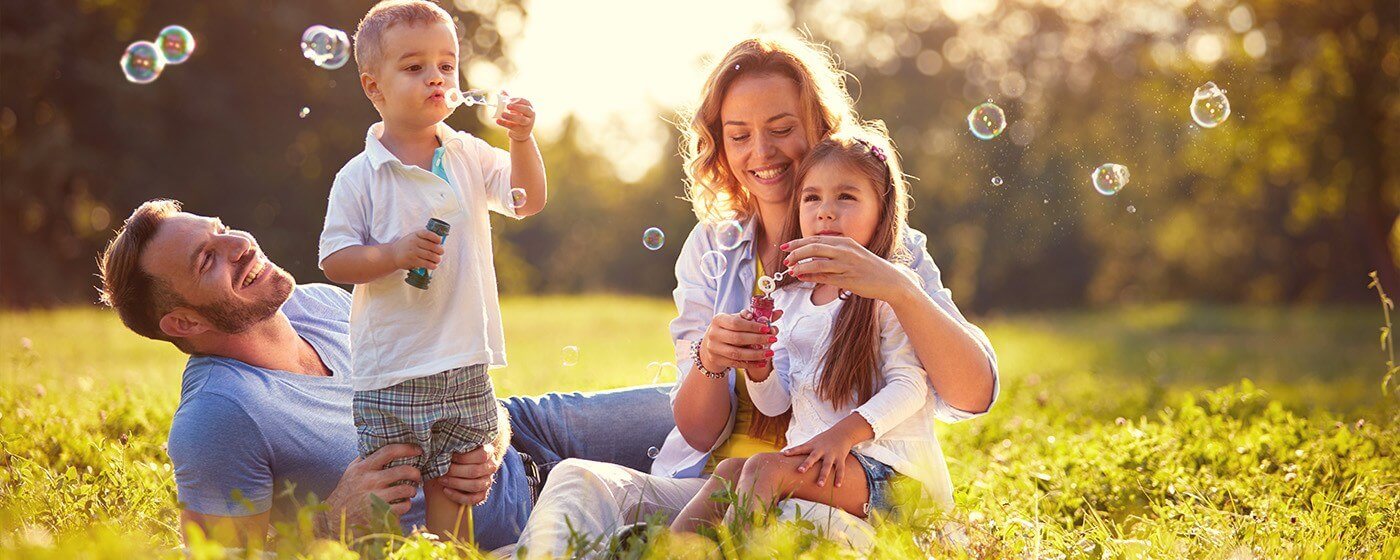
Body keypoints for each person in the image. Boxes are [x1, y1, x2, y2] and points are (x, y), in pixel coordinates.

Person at [516, 35, 999, 554]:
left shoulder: (887, 249)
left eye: (782, 129)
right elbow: (703, 434)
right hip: (719, 486)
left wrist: (899, 288)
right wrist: (712, 359)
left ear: (821, 129)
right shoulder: (712, 249)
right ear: (719, 144)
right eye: (738, 135)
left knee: (781, 526)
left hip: (834, 494)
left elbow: (972, 395)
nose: (761, 153)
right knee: (574, 482)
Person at [96, 200, 672, 551]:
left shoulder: (317, 303)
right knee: (717, 496)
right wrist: (330, 524)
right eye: (207, 258)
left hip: (524, 429)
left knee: (712, 402)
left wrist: (490, 424)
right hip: (511, 519)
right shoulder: (219, 416)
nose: (239, 244)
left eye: (221, 229)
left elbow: (442, 372)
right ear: (183, 320)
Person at [316, 0, 546, 539]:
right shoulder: (361, 176)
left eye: (447, 65)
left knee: (457, 486)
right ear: (374, 88)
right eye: (414, 67)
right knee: (387, 492)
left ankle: (444, 552)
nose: (437, 78)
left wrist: (520, 141)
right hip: (392, 367)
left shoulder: (467, 153)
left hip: (463, 357)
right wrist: (394, 254)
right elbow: (334, 259)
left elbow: (526, 198)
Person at [672, 130, 958, 532]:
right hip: (824, 464)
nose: (825, 211)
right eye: (812, 197)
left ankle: (731, 553)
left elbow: (912, 386)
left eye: (846, 196)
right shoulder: (792, 297)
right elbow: (775, 404)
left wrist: (841, 436)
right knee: (729, 474)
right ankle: (665, 550)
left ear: (882, 209)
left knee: (763, 470)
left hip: (893, 474)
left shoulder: (890, 289)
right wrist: (760, 369)